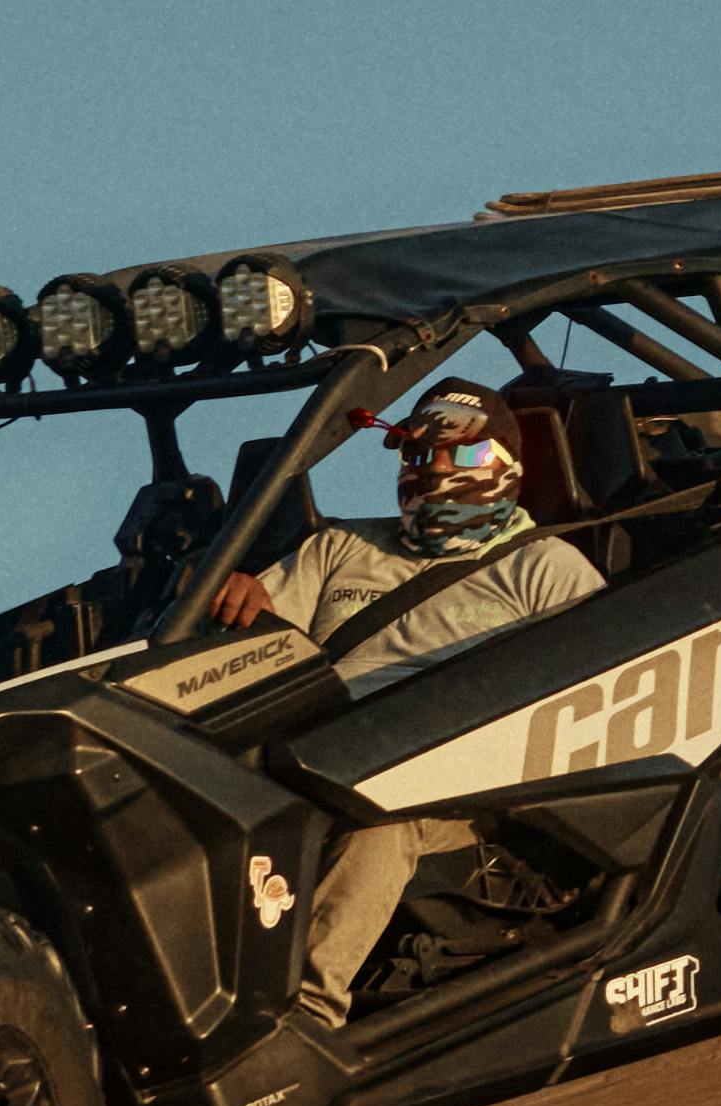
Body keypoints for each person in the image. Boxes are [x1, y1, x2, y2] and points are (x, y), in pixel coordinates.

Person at [203, 379, 603, 1024]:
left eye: (462, 456)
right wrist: (241, 594)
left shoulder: (547, 569)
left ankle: (300, 1018)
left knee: (380, 820)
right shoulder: (341, 548)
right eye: (418, 456)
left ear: (505, 466)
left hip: (454, 784)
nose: (437, 470)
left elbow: (584, 700)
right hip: (311, 755)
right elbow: (261, 642)